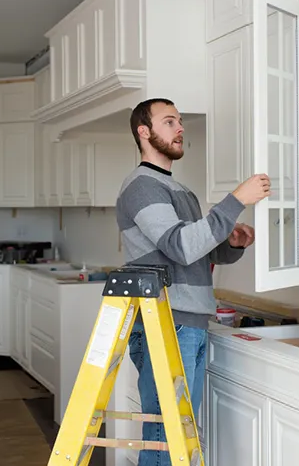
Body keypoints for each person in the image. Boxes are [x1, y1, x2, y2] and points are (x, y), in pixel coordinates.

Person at [115, 98, 270, 465]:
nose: (180, 128)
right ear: (144, 131)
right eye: (169, 122)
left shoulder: (182, 192)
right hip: (165, 321)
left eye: (180, 121)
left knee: (179, 435)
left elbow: (197, 251)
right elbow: (181, 246)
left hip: (192, 322)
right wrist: (236, 200)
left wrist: (229, 243)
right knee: (164, 436)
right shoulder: (140, 186)